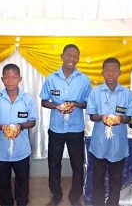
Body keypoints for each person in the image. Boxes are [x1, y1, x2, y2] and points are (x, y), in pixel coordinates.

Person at [40, 44, 92, 206]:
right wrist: (57, 106)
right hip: (56, 128)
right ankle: (56, 195)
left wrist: (75, 104)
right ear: (62, 56)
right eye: (68, 55)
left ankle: (75, 196)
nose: (72, 58)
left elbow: (88, 104)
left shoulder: (84, 80)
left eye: (75, 55)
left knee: (77, 163)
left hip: (76, 129)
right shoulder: (51, 78)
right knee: (54, 163)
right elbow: (44, 101)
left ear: (78, 58)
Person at [0, 63, 38, 206]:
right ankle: (6, 202)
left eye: (14, 77)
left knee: (22, 180)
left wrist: (20, 126)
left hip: (22, 150)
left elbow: (32, 121)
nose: (10, 81)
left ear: (20, 79)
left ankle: (21, 201)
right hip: (2, 151)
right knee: (3, 181)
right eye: (7, 78)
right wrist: (4, 127)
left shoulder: (28, 99)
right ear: (2, 79)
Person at [86, 57, 132, 206]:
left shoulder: (127, 93)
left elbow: (129, 118)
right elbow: (92, 116)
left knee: (116, 179)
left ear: (119, 72)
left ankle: (113, 203)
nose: (111, 73)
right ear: (102, 73)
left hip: (118, 145)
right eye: (107, 70)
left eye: (114, 70)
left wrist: (120, 118)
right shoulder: (96, 92)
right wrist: (102, 117)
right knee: (98, 179)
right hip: (100, 143)